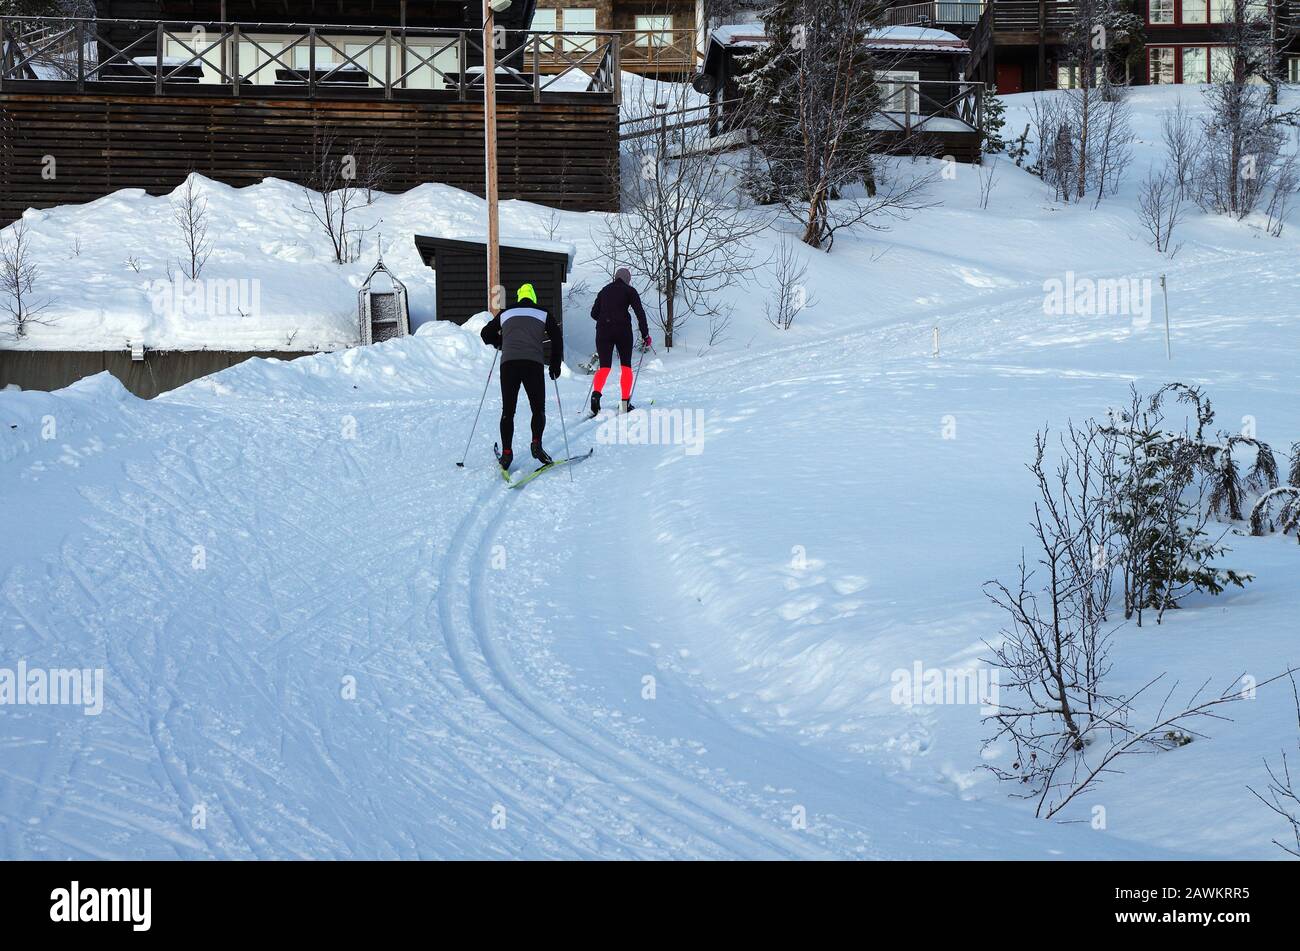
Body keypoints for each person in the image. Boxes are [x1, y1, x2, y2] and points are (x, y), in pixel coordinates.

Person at [480, 283, 563, 472]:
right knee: (537, 408)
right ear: (533, 297)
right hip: (532, 364)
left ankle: (507, 453)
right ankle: (536, 443)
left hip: (509, 364)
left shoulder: (506, 313)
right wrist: (555, 364)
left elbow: (485, 334)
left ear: (519, 297)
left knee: (508, 410)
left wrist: (500, 342)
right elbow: (557, 338)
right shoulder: (543, 313)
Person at [589, 267, 650, 415]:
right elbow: (639, 313)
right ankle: (624, 404)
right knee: (626, 367)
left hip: (603, 331)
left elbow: (593, 313)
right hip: (623, 331)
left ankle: (596, 396)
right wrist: (645, 334)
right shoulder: (630, 291)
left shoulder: (604, 291)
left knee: (604, 367)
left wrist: (605, 320)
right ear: (627, 279)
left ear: (616, 277)